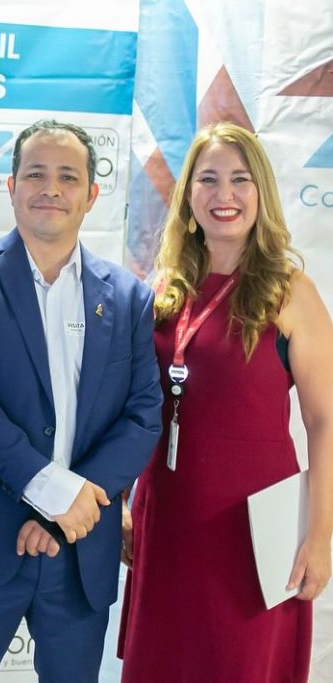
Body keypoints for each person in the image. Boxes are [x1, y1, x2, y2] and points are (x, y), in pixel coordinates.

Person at [0, 120, 163, 682]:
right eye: (35, 174)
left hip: (79, 549)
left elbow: (144, 414)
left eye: (68, 177)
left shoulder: (129, 296)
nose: (50, 188)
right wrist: (53, 494)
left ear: (91, 194)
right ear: (11, 186)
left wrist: (68, 511)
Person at [118, 122, 333, 682]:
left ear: (261, 192)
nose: (224, 194)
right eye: (208, 179)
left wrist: (320, 536)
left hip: (256, 528)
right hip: (167, 517)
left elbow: (324, 421)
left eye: (240, 179)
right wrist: (122, 500)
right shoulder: (164, 290)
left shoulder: (290, 291)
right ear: (189, 196)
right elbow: (133, 411)